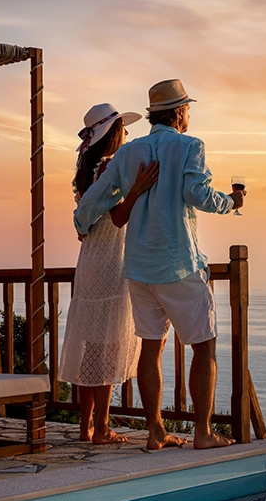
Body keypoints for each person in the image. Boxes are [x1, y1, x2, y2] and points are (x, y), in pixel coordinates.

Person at [74, 79, 245, 450]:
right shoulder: (189, 147)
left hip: (138, 267)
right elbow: (196, 194)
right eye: (188, 110)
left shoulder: (128, 152)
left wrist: (81, 225)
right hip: (179, 261)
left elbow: (93, 199)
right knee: (203, 346)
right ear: (180, 112)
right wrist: (232, 202)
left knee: (151, 347)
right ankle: (202, 433)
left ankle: (155, 431)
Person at [58, 102, 159, 444]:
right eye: (124, 129)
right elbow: (118, 218)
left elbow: (88, 218)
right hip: (111, 259)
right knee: (107, 346)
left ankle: (87, 425)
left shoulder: (88, 167)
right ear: (114, 133)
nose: (128, 134)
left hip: (89, 258)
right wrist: (138, 189)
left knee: (90, 344)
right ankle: (101, 428)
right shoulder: (110, 168)